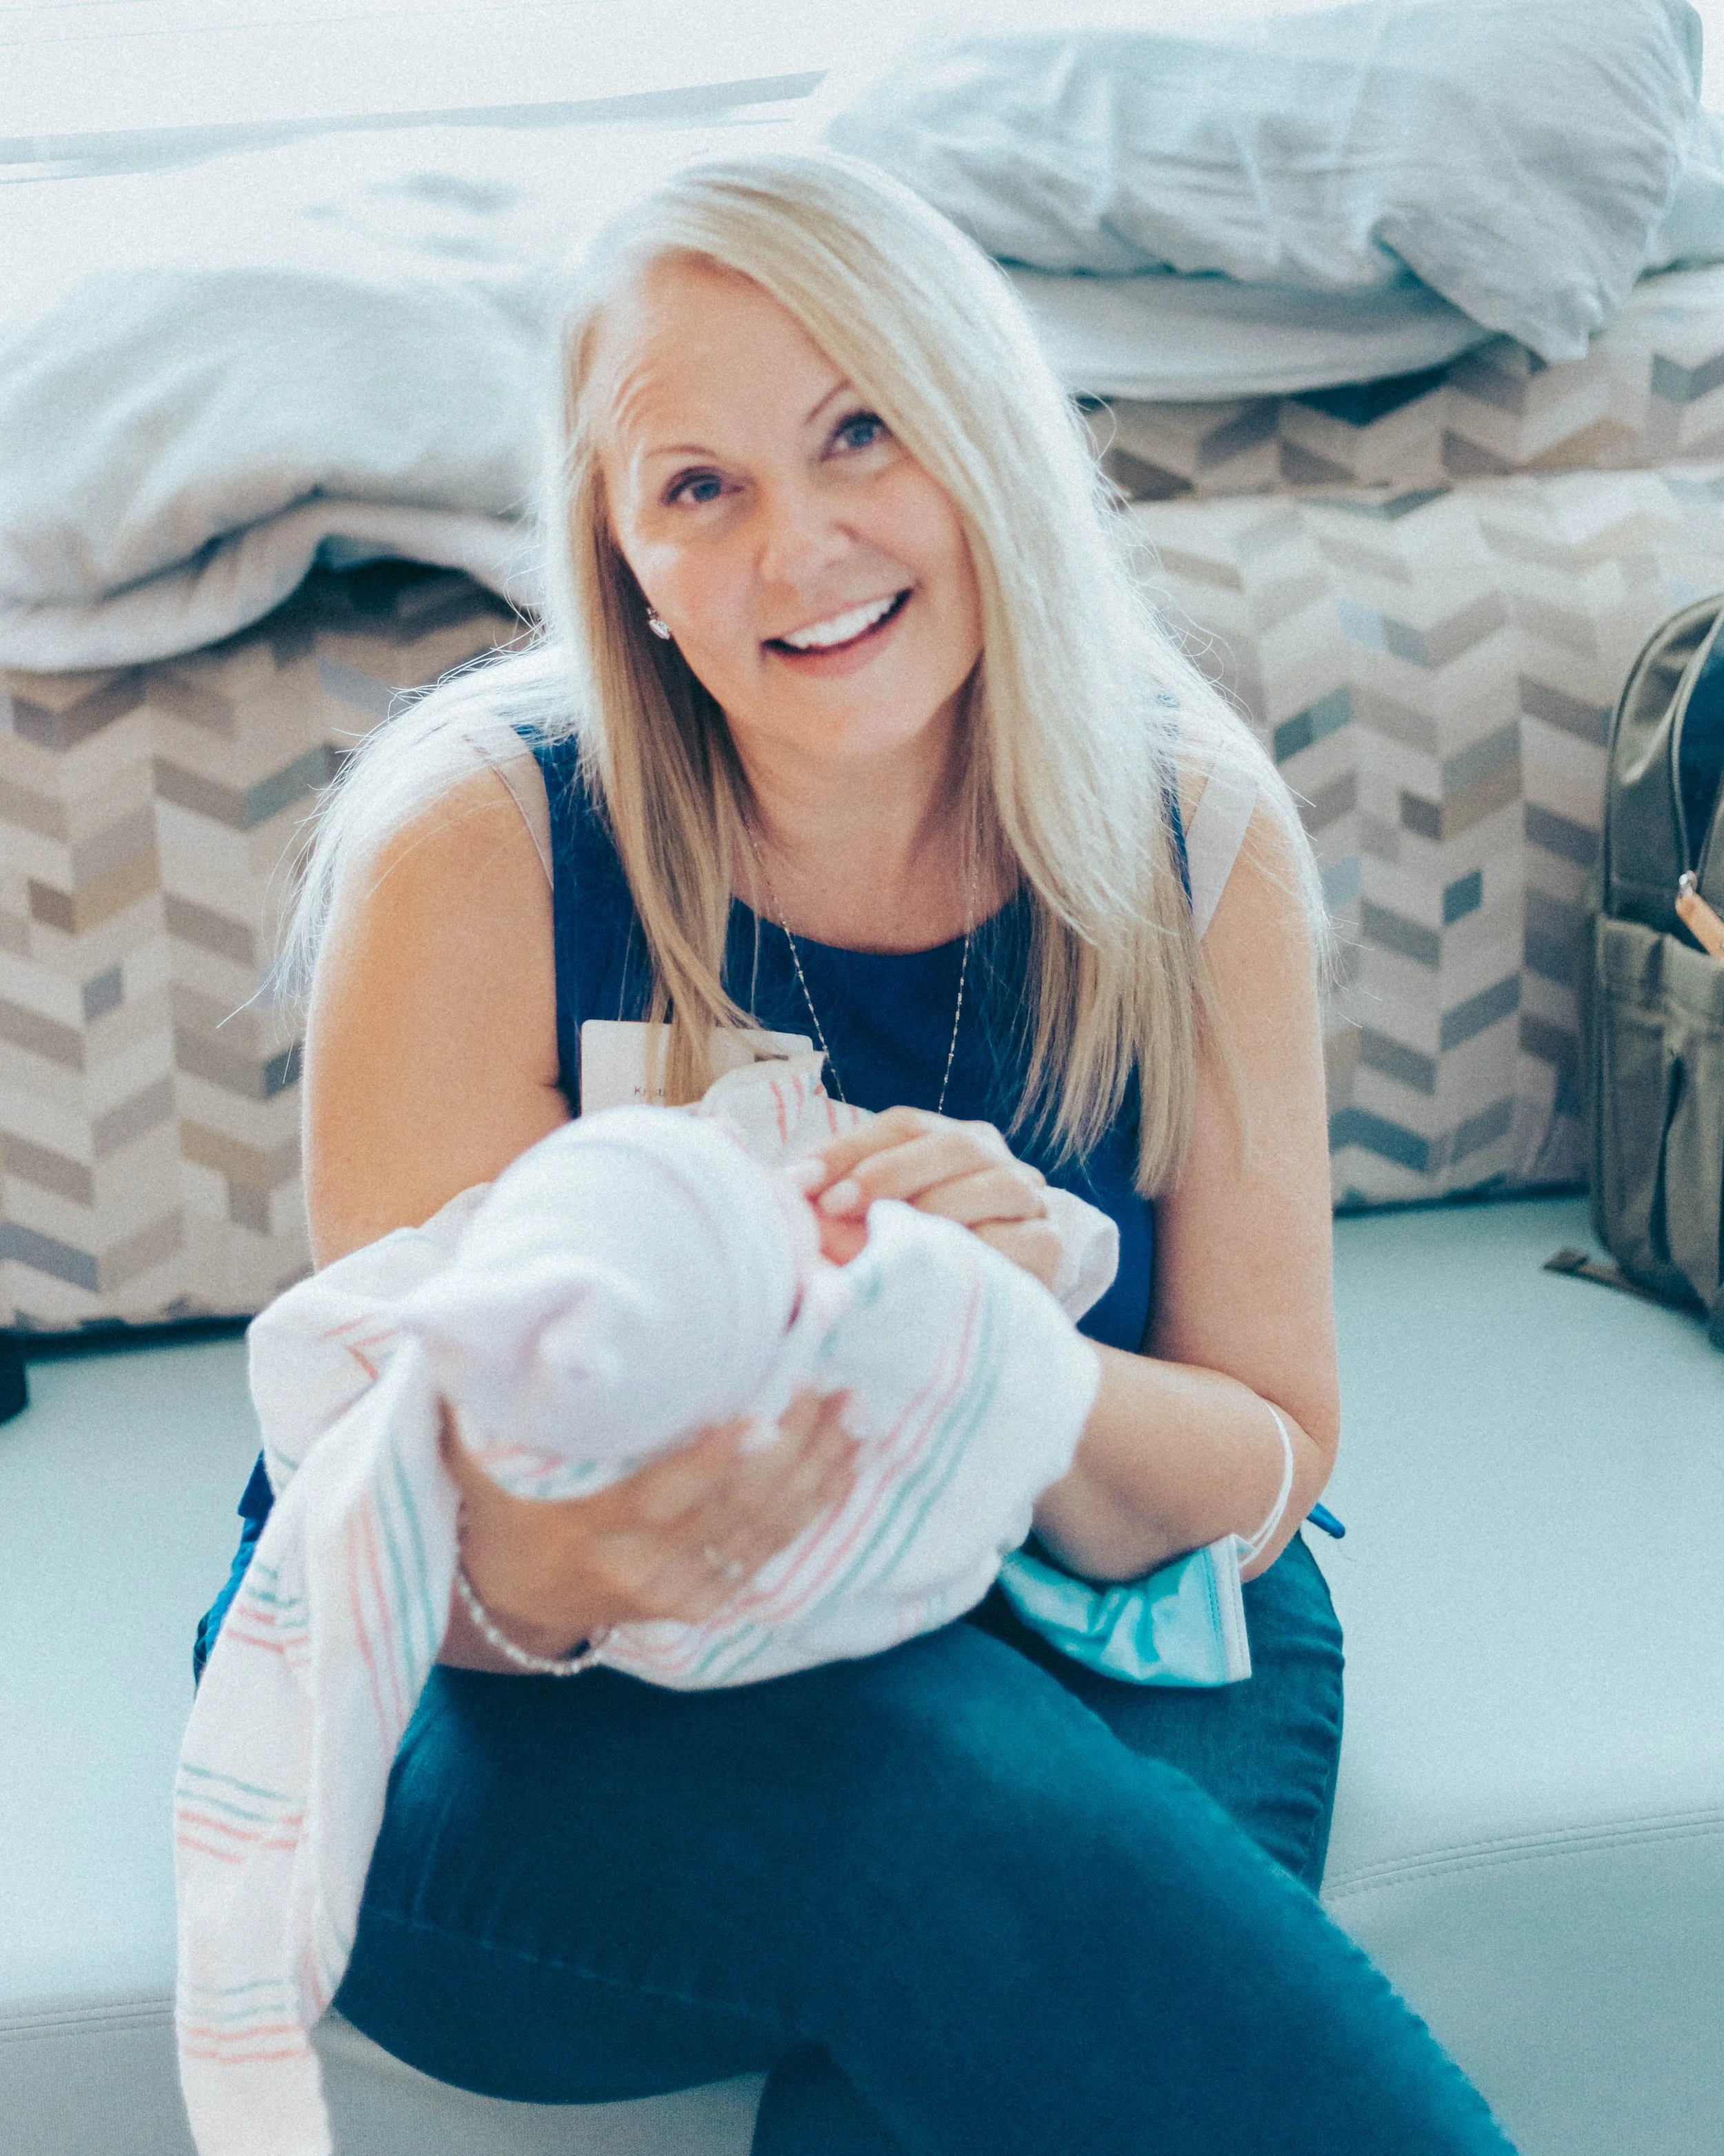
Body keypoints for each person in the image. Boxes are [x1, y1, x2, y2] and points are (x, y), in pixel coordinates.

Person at [197, 149, 1515, 2154]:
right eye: (697, 487)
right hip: (517, 1695)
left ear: (979, 431)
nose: (796, 548)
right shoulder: (476, 841)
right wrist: (584, 1553)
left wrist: (1007, 1360)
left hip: (1078, 1620)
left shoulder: (1184, 837)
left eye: (857, 432)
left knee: (961, 1929)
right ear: (617, 552)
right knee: (925, 1775)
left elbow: (1258, 1473)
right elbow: (403, 1519)